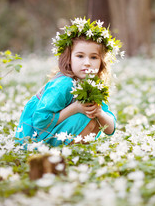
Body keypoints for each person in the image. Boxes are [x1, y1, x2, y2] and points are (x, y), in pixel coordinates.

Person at [15, 18, 122, 146]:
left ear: (101, 63)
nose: (87, 63)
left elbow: (110, 129)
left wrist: (100, 113)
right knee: (86, 118)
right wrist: (75, 108)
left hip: (54, 134)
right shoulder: (63, 84)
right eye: (80, 56)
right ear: (69, 59)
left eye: (94, 57)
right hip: (34, 138)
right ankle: (64, 155)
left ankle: (76, 155)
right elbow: (39, 122)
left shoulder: (93, 87)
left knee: (94, 119)